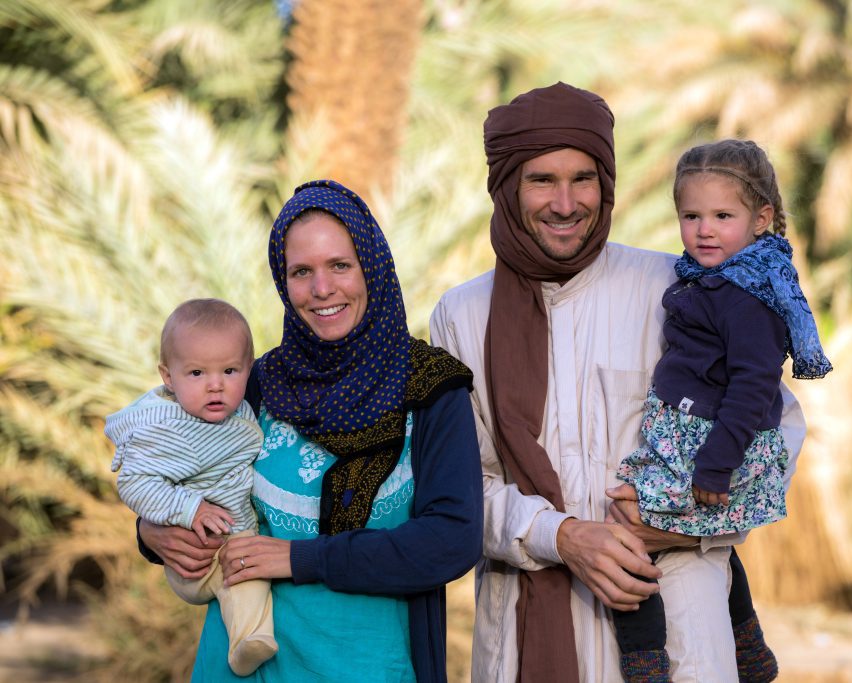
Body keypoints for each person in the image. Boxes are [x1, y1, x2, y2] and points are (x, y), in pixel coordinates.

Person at [429, 82, 806, 682]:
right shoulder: (461, 315)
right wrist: (562, 536)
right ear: (506, 187)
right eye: (541, 180)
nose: (565, 202)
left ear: (607, 185)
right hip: (524, 643)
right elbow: (456, 487)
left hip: (682, 631)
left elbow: (774, 429)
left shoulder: (679, 289)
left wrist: (679, 516)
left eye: (583, 178)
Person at [138, 179, 483, 682]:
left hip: (374, 667)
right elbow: (172, 466)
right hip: (246, 667)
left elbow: (452, 540)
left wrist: (300, 559)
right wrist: (152, 533)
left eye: (340, 265)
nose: (322, 289)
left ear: (372, 266)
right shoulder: (253, 383)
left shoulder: (432, 389)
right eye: (301, 272)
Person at [610, 140, 832, 681]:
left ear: (762, 219)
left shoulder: (747, 296)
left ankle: (642, 656)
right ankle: (748, 641)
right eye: (691, 216)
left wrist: (716, 464)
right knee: (671, 531)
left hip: (710, 446)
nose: (704, 230)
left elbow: (756, 385)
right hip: (693, 433)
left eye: (722, 216)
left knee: (629, 536)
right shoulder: (715, 278)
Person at [107, 298, 276, 676]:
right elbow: (134, 482)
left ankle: (249, 639)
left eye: (230, 371)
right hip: (198, 554)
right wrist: (187, 510)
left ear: (250, 369)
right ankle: (248, 636)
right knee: (247, 573)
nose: (215, 385)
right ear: (168, 377)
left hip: (231, 538)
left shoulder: (238, 414)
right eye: (197, 373)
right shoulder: (171, 429)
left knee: (245, 569)